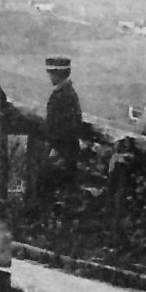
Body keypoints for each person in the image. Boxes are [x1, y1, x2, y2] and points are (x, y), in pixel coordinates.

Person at [40, 54, 84, 193]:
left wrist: (55, 147)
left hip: (61, 151)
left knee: (49, 187)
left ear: (56, 75)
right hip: (65, 150)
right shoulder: (67, 93)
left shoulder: (62, 96)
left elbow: (63, 126)